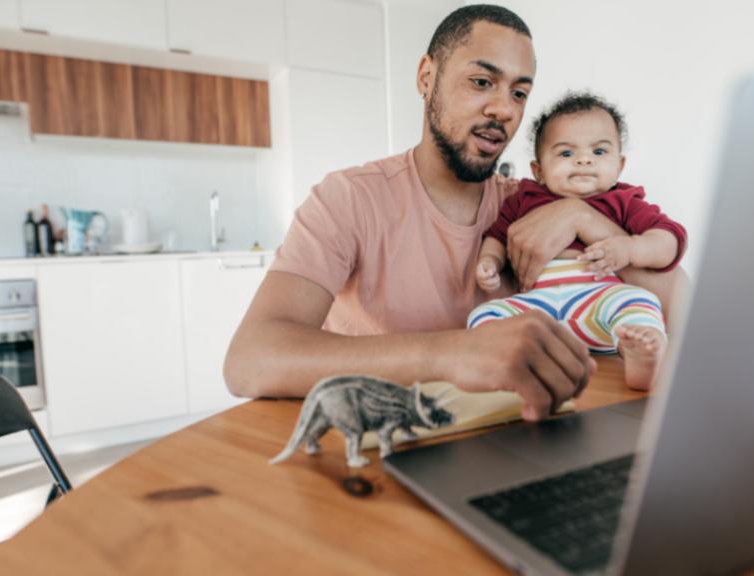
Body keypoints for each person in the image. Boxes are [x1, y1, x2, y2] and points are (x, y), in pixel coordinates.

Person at [224, 5, 685, 421]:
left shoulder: (531, 202)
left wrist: (579, 216)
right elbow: (250, 359)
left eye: (520, 93)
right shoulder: (348, 198)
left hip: (510, 438)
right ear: (427, 76)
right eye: (482, 82)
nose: (503, 109)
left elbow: (678, 299)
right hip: (377, 443)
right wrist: (454, 353)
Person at [468, 92, 687, 390]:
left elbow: (669, 241)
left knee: (639, 303)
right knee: (486, 315)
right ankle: (498, 363)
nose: (584, 160)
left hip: (600, 300)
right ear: (538, 171)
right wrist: (489, 262)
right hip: (538, 306)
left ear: (619, 165)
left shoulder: (623, 201)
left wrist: (631, 248)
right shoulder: (525, 199)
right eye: (566, 154)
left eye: (599, 152)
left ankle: (641, 358)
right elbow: (497, 236)